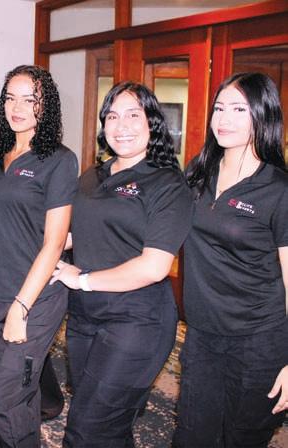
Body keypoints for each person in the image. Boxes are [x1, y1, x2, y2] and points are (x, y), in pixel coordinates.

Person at [51, 81, 193, 447]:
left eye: (133, 115)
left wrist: (81, 278)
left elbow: (154, 267)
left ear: (152, 124)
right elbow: (74, 234)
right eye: (112, 116)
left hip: (137, 320)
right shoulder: (92, 175)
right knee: (106, 425)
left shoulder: (167, 183)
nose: (122, 126)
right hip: (84, 317)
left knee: (84, 430)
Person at [172, 72, 288, 447]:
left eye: (239, 109)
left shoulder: (278, 190)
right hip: (202, 333)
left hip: (259, 340)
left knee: (242, 438)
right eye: (219, 108)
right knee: (192, 435)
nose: (224, 118)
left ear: (262, 115)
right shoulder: (199, 171)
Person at [0, 65, 78, 447]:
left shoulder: (58, 160)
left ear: (45, 105)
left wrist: (21, 307)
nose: (17, 107)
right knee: (23, 395)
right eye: (10, 98)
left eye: (29, 99)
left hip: (35, 299)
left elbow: (54, 242)